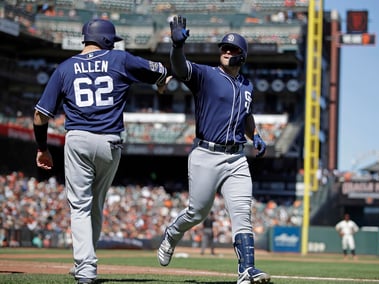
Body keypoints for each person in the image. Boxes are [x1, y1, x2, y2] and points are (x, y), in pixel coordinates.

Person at [33, 19, 169, 284]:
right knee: (95, 204)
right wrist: (162, 82)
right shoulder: (120, 59)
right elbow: (161, 71)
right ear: (107, 40)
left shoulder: (65, 68)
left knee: (80, 205)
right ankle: (84, 262)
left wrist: (42, 148)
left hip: (79, 139)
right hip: (110, 141)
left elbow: (40, 116)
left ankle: (85, 266)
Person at [157, 15, 271, 284]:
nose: (226, 52)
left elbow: (246, 116)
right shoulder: (206, 75)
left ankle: (246, 271)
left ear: (242, 56)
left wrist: (255, 136)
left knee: (242, 213)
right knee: (197, 212)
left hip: (236, 158)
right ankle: (172, 233)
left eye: (232, 49)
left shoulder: (247, 86)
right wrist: (176, 47)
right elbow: (181, 68)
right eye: (224, 48)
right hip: (206, 154)